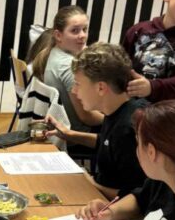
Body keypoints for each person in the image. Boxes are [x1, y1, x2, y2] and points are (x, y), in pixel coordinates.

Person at [46, 43, 146, 199]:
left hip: (110, 204)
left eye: (78, 84)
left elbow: (137, 196)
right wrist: (69, 134)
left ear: (101, 88)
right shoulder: (117, 110)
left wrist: (90, 183)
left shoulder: (128, 129)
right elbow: (107, 143)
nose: (74, 91)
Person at [32, 6, 103, 133]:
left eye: (84, 29)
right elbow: (86, 117)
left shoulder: (54, 53)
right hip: (79, 135)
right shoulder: (69, 66)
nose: (82, 35)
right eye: (75, 31)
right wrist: (115, 120)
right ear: (58, 35)